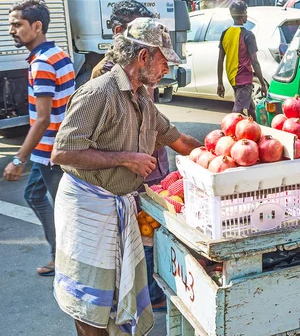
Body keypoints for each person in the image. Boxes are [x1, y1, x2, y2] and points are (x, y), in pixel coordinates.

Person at [51, 17, 203, 335]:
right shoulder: (97, 93)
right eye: (163, 61)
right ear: (143, 57)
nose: (167, 70)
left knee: (115, 298)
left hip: (118, 205)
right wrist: (126, 159)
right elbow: (62, 153)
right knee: (89, 303)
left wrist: (224, 155)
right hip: (87, 207)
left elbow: (180, 141)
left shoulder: (143, 101)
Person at [91, 0, 169, 313]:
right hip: (132, 172)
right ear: (121, 31)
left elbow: (151, 114)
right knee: (142, 232)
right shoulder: (105, 75)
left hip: (152, 163)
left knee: (152, 227)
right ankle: (149, 293)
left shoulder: (142, 67)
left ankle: (152, 288)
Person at [4, 0, 75, 277]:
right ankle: (59, 255)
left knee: (65, 210)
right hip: (52, 148)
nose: (12, 30)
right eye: (10, 24)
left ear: (37, 26)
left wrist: (18, 158)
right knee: (34, 195)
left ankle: (67, 261)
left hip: (51, 152)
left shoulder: (42, 63)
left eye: (17, 25)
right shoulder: (57, 53)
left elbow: (43, 118)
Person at [217, 1, 267, 119]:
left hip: (232, 77)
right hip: (243, 78)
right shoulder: (248, 35)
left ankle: (256, 130)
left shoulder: (225, 33)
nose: (247, 15)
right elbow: (254, 61)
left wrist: (220, 82)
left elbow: (220, 60)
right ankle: (230, 132)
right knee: (237, 111)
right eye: (246, 13)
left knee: (250, 107)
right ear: (242, 15)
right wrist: (262, 83)